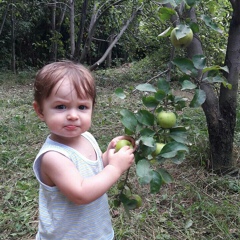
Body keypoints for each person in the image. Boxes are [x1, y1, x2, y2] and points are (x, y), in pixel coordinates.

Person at [32, 60, 135, 240]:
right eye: (61, 107)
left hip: (94, 232)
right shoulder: (53, 157)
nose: (73, 115)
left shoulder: (87, 137)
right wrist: (115, 168)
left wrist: (109, 156)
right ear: (40, 111)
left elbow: (92, 169)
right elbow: (81, 193)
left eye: (82, 107)